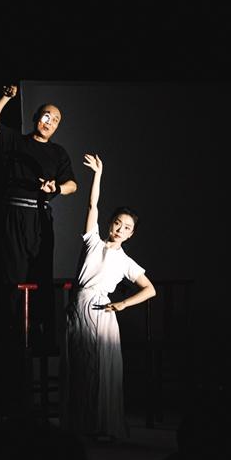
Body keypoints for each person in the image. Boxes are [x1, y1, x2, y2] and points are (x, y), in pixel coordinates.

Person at [64, 154, 156, 441]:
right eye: (117, 223)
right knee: (80, 365)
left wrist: (123, 304)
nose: (120, 230)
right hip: (80, 307)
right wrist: (98, 175)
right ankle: (81, 425)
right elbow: (92, 205)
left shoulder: (126, 261)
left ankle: (101, 424)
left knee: (101, 369)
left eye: (127, 228)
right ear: (110, 224)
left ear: (131, 234)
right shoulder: (92, 241)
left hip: (103, 313)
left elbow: (150, 289)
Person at [0, 84, 77, 360]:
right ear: (37, 117)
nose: (50, 122)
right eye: (46, 116)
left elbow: (72, 184)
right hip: (14, 215)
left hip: (40, 216)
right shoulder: (17, 141)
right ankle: (12, 334)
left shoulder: (58, 153)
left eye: (55, 120)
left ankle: (38, 334)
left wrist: (56, 188)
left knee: (40, 273)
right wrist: (5, 97)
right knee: (13, 275)